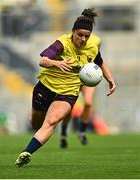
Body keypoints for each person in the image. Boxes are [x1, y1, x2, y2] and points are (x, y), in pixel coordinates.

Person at [15, 8, 116, 167]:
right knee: (37, 124)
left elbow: (100, 63)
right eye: (80, 35)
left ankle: (26, 152)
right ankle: (36, 127)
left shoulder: (92, 48)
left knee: (52, 121)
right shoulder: (62, 43)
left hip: (68, 93)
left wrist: (110, 79)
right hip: (46, 88)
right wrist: (57, 63)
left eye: (86, 36)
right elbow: (43, 61)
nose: (83, 39)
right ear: (73, 32)